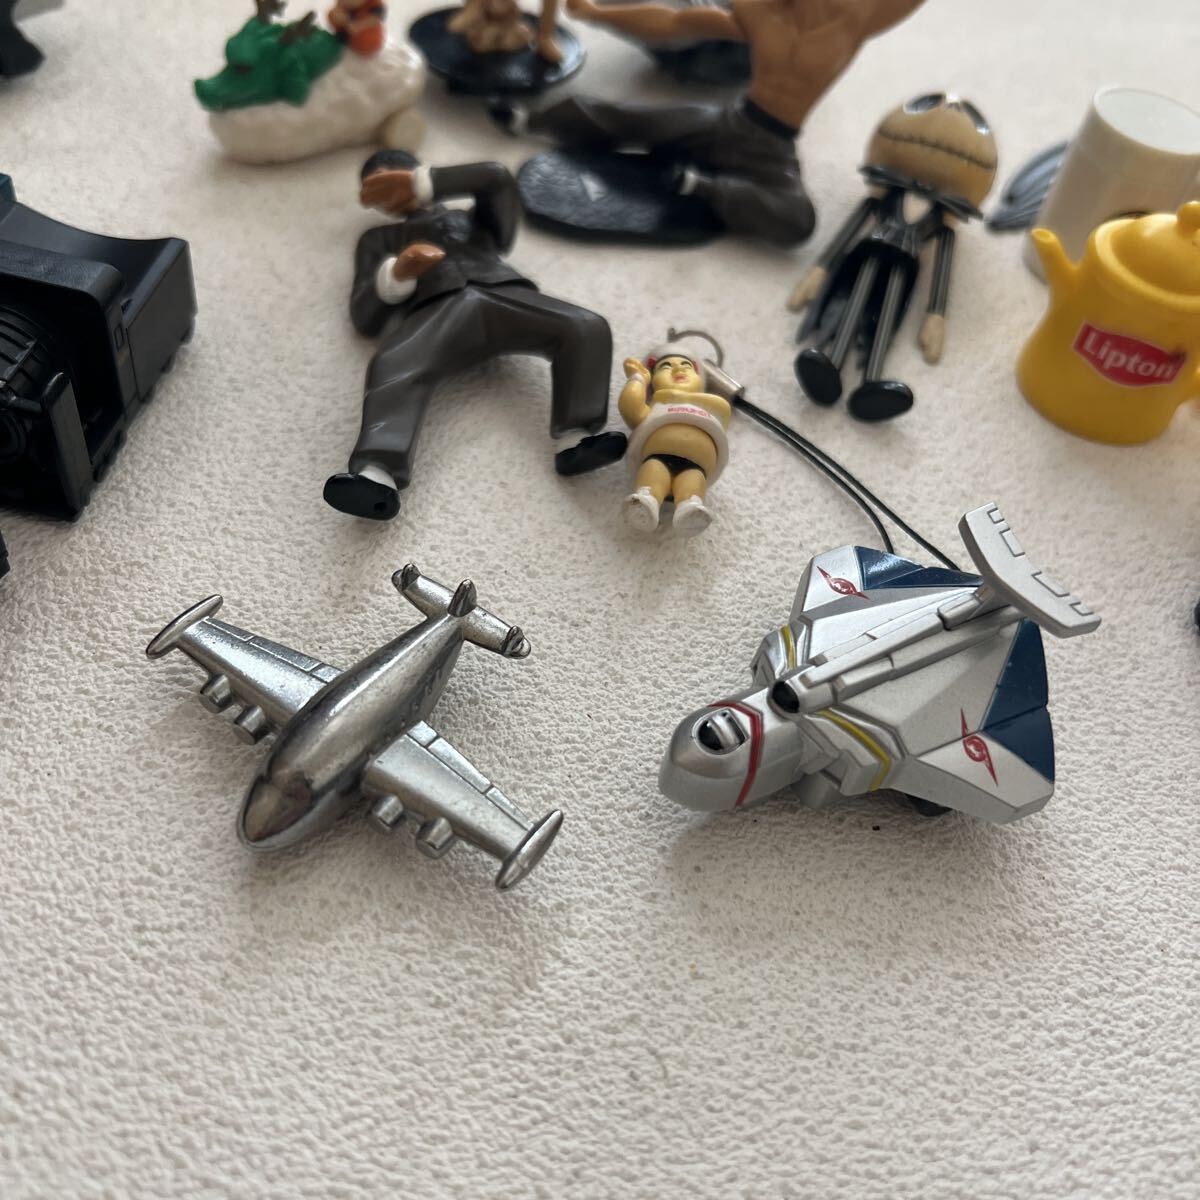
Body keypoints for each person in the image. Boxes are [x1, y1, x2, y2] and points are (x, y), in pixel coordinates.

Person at [491, 0, 928, 246]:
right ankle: (531, 119)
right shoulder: (760, 13)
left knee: (798, 221)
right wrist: (596, 14)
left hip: (771, 149)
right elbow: (676, 22)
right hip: (727, 122)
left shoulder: (851, 21)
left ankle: (700, 184)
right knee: (629, 117)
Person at [324, 150, 612, 520]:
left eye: (393, 175)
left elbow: (497, 179)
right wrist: (398, 273)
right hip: (441, 310)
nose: (388, 186)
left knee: (585, 326)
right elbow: (364, 316)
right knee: (393, 362)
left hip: (507, 296)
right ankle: (377, 472)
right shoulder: (377, 240)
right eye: (376, 182)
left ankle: (577, 435)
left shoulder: (470, 219)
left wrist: (424, 183)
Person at [619, 346, 732, 537]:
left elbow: (722, 410)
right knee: (654, 470)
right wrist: (638, 379)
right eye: (666, 367)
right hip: (655, 455)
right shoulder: (656, 406)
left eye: (686, 366)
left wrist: (679, 396)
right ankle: (646, 501)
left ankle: (690, 508)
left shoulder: (713, 405)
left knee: (693, 479)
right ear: (653, 380)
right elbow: (631, 409)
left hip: (698, 464)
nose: (678, 369)